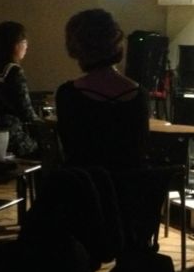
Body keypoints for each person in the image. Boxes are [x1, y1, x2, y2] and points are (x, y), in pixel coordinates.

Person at [54, 9, 150, 170]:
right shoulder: (140, 95)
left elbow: (70, 152)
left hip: (85, 183)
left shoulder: (68, 95)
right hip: (128, 184)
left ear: (77, 47)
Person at [0, 21, 40, 158]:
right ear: (15, 45)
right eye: (24, 42)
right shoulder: (14, 71)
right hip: (11, 135)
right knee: (46, 149)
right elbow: (26, 112)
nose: (27, 46)